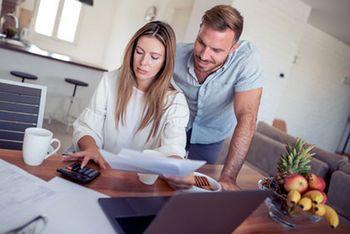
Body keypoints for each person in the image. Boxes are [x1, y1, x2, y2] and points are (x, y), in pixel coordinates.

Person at [63, 21, 191, 187]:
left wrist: (178, 168)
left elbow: (173, 146)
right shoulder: (110, 81)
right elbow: (88, 126)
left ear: (166, 62)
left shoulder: (175, 102)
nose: (143, 62)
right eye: (139, 52)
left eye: (154, 57)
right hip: (98, 170)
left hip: (134, 181)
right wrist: (92, 149)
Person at [169, 5, 263, 190]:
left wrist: (228, 177)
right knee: (162, 181)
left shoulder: (247, 60)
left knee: (197, 189)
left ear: (233, 48)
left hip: (211, 135)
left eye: (216, 50)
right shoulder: (175, 54)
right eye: (201, 43)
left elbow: (247, 116)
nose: (204, 55)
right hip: (173, 128)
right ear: (199, 29)